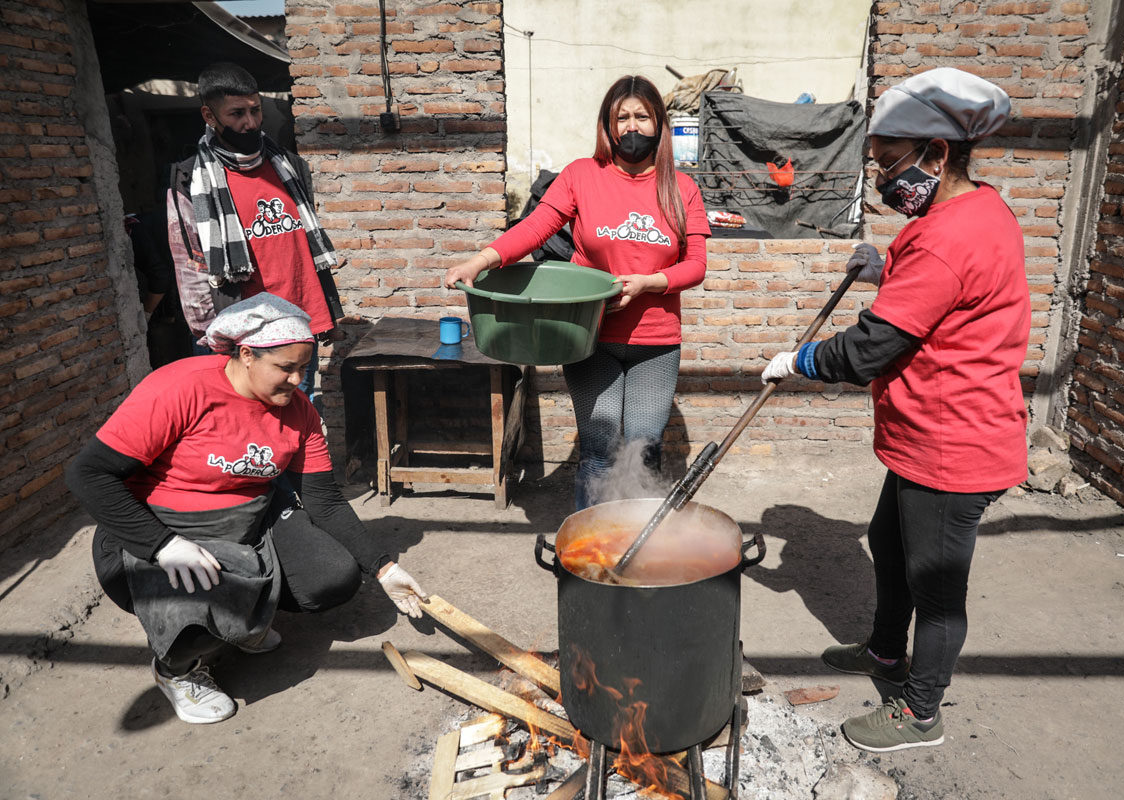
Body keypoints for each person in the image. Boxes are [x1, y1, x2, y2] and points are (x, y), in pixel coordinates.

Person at [760, 68, 1030, 752]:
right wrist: (886, 269)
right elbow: (951, 291)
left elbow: (871, 349)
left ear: (938, 156)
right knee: (887, 545)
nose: (885, 182)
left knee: (935, 589)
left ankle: (919, 711)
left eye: (891, 164)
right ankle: (884, 653)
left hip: (953, 444)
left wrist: (803, 360)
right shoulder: (972, 211)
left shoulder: (946, 235)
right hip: (926, 435)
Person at [66, 294, 426, 725]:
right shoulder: (180, 387)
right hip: (160, 527)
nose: (297, 380)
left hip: (247, 519)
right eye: (285, 368)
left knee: (331, 577)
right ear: (247, 353)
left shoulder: (300, 412)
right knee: (195, 613)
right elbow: (88, 475)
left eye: (304, 369)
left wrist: (383, 568)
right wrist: (162, 546)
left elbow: (323, 500)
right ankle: (176, 670)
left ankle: (243, 626)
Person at [444, 75, 711, 509]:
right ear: (607, 125)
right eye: (620, 117)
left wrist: (648, 284)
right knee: (600, 451)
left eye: (642, 117)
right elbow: (534, 229)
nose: (631, 127)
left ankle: (637, 550)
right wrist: (481, 261)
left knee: (645, 450)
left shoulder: (681, 188)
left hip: (656, 342)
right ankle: (589, 557)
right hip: (589, 337)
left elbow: (695, 265)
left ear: (659, 123)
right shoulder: (581, 176)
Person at [166, 62, 342, 397]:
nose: (250, 123)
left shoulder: (289, 166)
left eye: (255, 110)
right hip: (242, 333)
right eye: (236, 114)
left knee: (295, 423)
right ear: (209, 115)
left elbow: (306, 247)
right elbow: (190, 269)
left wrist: (327, 314)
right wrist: (210, 338)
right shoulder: (190, 181)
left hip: (297, 322)